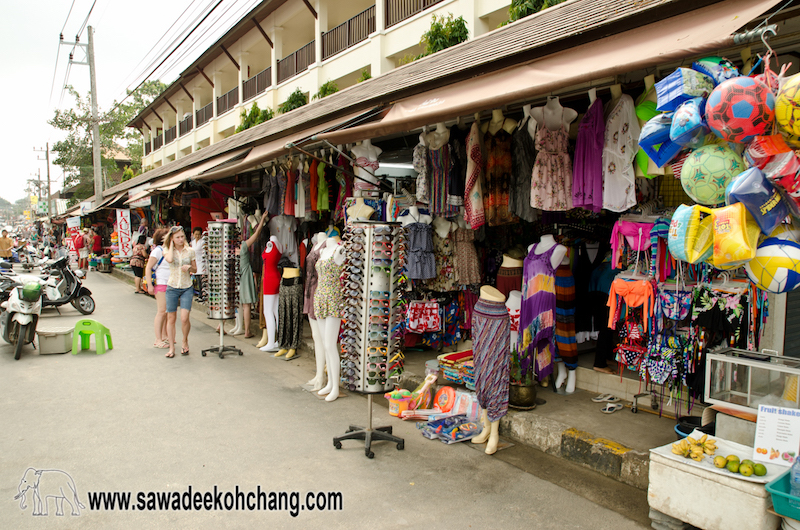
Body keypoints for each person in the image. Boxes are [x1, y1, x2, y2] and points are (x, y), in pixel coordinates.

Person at [163, 226, 196, 358]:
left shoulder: (190, 251)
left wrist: (189, 267)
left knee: (184, 318)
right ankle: (171, 347)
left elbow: (195, 268)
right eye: (177, 237)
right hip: (172, 287)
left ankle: (184, 340)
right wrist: (171, 245)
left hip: (187, 286)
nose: (181, 239)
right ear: (172, 238)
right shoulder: (167, 250)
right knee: (171, 318)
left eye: (182, 236)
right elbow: (170, 260)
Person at [144, 228, 170, 349]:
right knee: (161, 311)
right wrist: (149, 284)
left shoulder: (168, 250)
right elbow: (148, 268)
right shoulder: (157, 251)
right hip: (161, 284)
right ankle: (158, 339)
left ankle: (164, 336)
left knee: (166, 312)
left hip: (170, 284)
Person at [190, 227, 206, 304]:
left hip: (201, 262)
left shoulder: (202, 242)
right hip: (195, 262)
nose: (197, 236)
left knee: (201, 280)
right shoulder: (192, 242)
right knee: (197, 279)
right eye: (196, 234)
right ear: (193, 234)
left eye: (199, 234)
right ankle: (199, 295)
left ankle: (202, 295)